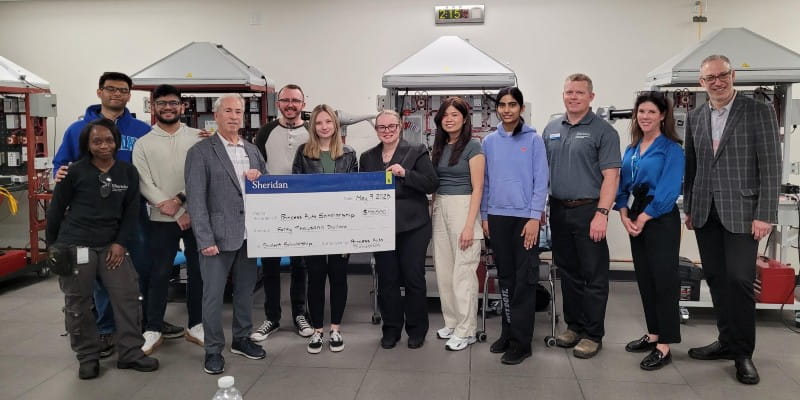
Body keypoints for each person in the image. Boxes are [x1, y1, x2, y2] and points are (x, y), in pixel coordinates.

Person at [52, 72, 172, 357]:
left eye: (123, 90)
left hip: (133, 211)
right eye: (111, 89)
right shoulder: (77, 129)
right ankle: (106, 330)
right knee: (99, 276)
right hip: (90, 220)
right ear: (99, 92)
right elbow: (61, 166)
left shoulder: (142, 130)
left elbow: (167, 147)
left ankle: (145, 323)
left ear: (130, 95)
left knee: (140, 269)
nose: (116, 94)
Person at [684, 55, 781, 385]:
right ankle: (725, 342)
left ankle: (743, 353)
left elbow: (770, 166)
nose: (717, 82)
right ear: (701, 83)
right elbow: (692, 165)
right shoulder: (696, 116)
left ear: (733, 75)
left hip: (743, 212)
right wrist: (690, 208)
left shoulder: (758, 111)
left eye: (722, 75)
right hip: (705, 211)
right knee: (715, 277)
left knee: (739, 280)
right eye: (709, 78)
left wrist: (766, 213)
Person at [46, 119, 159, 379]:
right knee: (79, 303)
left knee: (128, 297)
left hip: (112, 245)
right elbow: (55, 211)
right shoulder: (74, 171)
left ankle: (130, 352)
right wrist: (53, 249)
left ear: (116, 142)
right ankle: (87, 356)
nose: (104, 145)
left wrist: (120, 243)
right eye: (97, 141)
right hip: (76, 245)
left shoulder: (127, 172)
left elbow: (131, 212)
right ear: (87, 144)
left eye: (109, 140)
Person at [185, 94, 268, 375]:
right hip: (217, 238)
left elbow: (266, 186)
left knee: (245, 291)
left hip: (248, 235)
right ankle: (213, 350)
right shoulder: (200, 152)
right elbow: (196, 200)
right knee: (213, 296)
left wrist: (259, 177)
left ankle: (242, 339)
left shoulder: (252, 150)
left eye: (239, 112)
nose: (234, 116)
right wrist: (204, 239)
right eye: (228, 111)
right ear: (217, 116)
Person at [542, 73, 620, 359]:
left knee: (594, 275)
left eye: (579, 92)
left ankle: (592, 334)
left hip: (590, 210)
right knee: (569, 273)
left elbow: (611, 177)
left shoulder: (603, 131)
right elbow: (542, 174)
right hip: (558, 209)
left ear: (591, 97)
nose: (573, 96)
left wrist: (602, 213)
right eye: (568, 92)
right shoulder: (551, 128)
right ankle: (573, 326)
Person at [614, 91, 684, 371]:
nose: (645, 117)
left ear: (662, 116)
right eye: (641, 112)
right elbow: (623, 187)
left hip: (660, 218)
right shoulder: (631, 149)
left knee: (664, 281)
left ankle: (665, 345)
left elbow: (668, 191)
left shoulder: (672, 149)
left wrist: (643, 218)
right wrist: (623, 214)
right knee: (645, 279)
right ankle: (653, 333)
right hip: (634, 216)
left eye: (651, 112)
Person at [132, 84, 204, 355]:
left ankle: (196, 325)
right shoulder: (144, 143)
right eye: (161, 103)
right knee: (158, 273)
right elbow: (144, 182)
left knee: (199, 272)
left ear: (182, 106)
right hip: (161, 219)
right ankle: (153, 328)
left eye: (173, 102)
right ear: (154, 107)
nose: (168, 107)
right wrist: (175, 212)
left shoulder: (200, 137)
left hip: (196, 216)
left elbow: (201, 177)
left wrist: (182, 204)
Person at [360, 110, 439, 350]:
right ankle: (391, 329)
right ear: (376, 130)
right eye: (382, 127)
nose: (387, 131)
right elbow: (361, 190)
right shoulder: (367, 157)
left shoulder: (416, 151)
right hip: (381, 225)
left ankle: (416, 330)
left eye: (391, 126)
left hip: (413, 225)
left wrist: (405, 174)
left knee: (414, 277)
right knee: (387, 279)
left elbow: (431, 183)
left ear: (400, 127)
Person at [480, 87, 549, 365]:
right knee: (505, 279)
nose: (507, 109)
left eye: (512, 105)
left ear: (521, 108)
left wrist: (534, 217)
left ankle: (522, 343)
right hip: (497, 218)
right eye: (502, 105)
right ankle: (508, 333)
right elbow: (484, 182)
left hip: (524, 220)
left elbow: (541, 181)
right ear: (497, 109)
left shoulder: (534, 141)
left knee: (523, 281)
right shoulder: (489, 142)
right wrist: (485, 215)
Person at [291, 104, 358, 354]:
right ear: (313, 126)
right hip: (314, 228)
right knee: (316, 279)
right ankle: (318, 331)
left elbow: (355, 192)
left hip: (341, 227)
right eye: (319, 123)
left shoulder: (349, 154)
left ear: (335, 125)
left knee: (339, 278)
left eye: (328, 122)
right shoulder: (303, 153)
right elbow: (296, 189)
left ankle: (336, 329)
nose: (324, 127)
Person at [251, 84, 313, 340]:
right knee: (271, 266)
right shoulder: (265, 132)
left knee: (301, 264)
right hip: (271, 208)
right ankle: (272, 317)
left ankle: (300, 314)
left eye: (295, 101)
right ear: (278, 103)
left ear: (303, 103)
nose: (290, 105)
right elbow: (256, 163)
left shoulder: (312, 131)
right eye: (285, 100)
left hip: (303, 209)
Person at [430, 97, 485, 351]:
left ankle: (467, 330)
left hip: (464, 207)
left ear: (464, 118)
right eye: (445, 115)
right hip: (441, 205)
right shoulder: (439, 146)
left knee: (463, 273)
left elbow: (478, 188)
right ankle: (452, 322)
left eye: (454, 114)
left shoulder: (474, 146)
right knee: (444, 271)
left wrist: (468, 225)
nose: (449, 119)